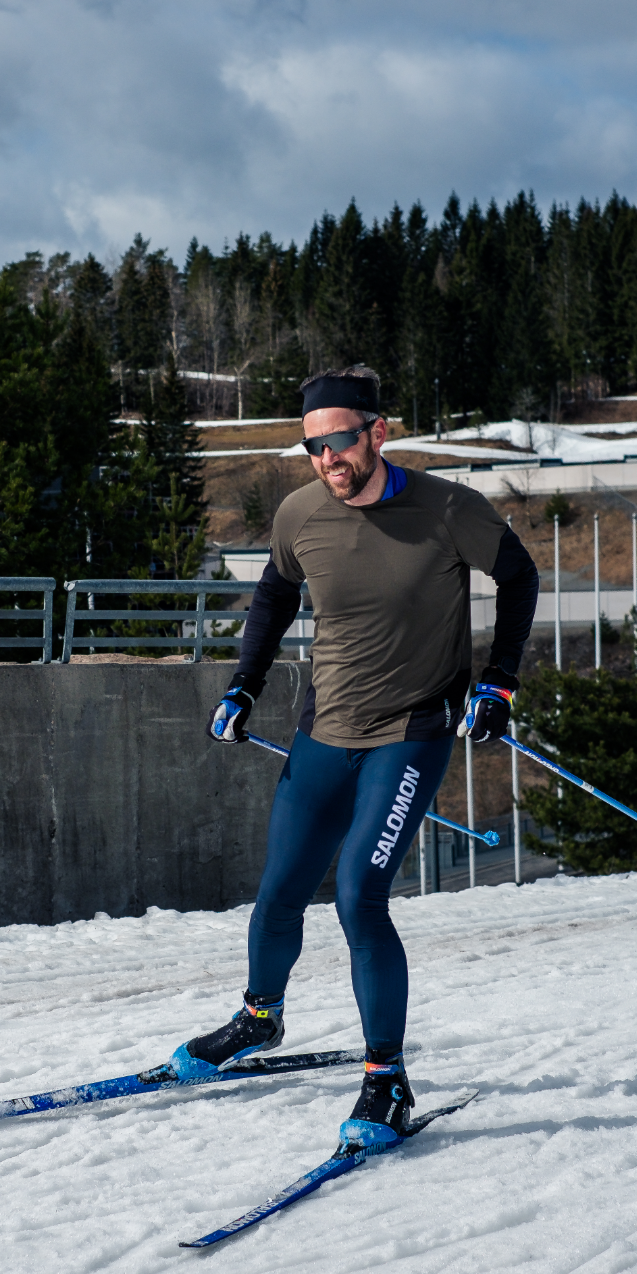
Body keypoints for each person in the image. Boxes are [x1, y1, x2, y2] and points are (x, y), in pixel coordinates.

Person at [169, 365, 539, 1149]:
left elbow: (518, 575)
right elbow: (273, 594)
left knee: (358, 898)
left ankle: (386, 1079)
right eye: (311, 446)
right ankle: (258, 1018)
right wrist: (243, 687)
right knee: (277, 893)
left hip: (410, 733)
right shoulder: (301, 513)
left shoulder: (448, 510)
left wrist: (500, 682)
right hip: (324, 730)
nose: (326, 459)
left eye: (338, 440)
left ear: (378, 432)